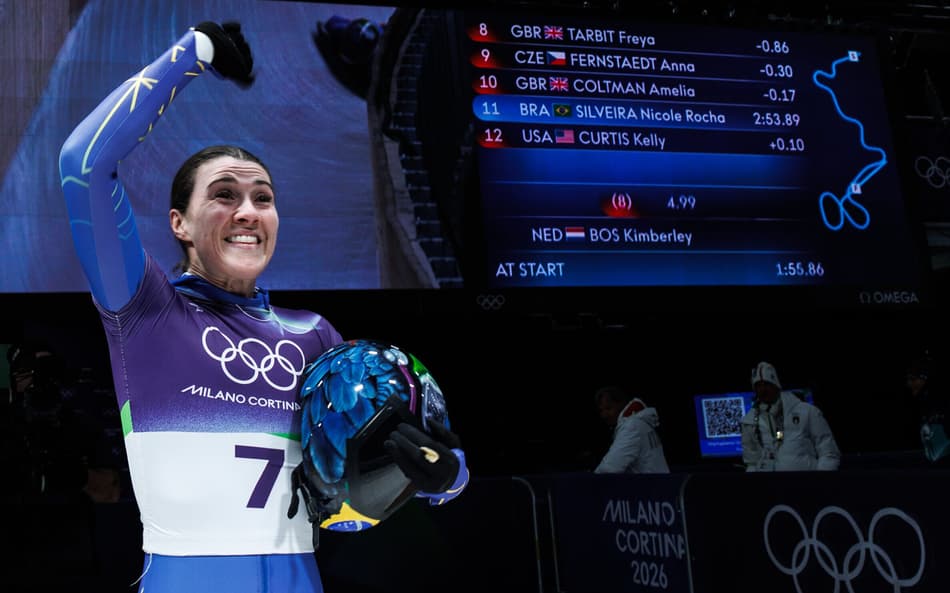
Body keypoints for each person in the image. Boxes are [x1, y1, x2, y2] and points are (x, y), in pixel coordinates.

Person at [58, 21, 468, 593]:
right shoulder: (145, 309)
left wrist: (443, 474)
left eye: (263, 198)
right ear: (179, 223)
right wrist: (193, 52)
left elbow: (352, 503)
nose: (248, 210)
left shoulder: (318, 338)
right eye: (224, 194)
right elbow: (83, 165)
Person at [740, 361, 841, 471]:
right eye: (759, 385)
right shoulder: (748, 422)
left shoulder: (807, 412)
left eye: (767, 384)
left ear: (776, 385)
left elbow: (829, 452)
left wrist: (819, 482)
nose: (763, 389)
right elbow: (751, 462)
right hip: (768, 486)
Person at [593, 385, 670, 474]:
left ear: (622, 404)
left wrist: (590, 482)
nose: (604, 415)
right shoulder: (640, 421)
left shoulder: (631, 427)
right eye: (601, 410)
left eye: (608, 408)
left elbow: (610, 468)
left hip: (653, 486)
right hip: (659, 484)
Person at [905, 353, 950, 466]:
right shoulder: (923, 398)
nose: (909, 383)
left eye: (912, 379)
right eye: (909, 379)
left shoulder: (936, 394)